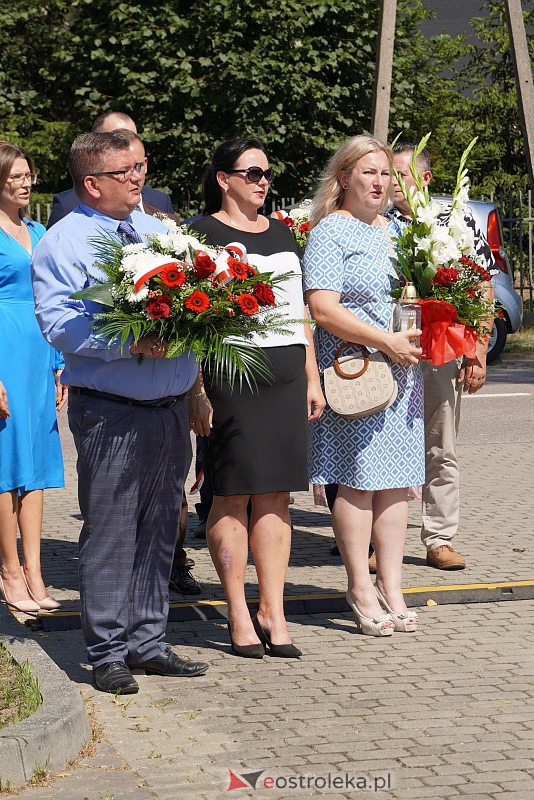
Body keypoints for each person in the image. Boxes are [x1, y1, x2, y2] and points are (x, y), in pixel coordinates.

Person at [32, 130, 208, 694]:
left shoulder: (158, 230)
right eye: (125, 171)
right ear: (92, 183)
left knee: (161, 528)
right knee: (111, 531)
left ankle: (149, 641)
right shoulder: (66, 242)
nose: (138, 178)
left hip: (168, 406)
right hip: (112, 410)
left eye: (141, 166)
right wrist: (126, 341)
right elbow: (57, 324)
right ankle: (107, 650)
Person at [187, 137, 325, 659]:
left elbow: (298, 314)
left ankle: (274, 609)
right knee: (233, 494)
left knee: (276, 496)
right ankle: (238, 612)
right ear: (223, 179)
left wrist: (312, 376)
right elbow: (191, 323)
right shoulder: (201, 234)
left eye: (267, 173)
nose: (262, 181)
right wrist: (196, 390)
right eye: (251, 173)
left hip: (286, 375)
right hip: (231, 377)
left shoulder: (286, 236)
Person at [302, 135, 425, 637]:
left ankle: (391, 586)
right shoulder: (332, 232)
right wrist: (384, 341)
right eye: (369, 172)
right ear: (344, 178)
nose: (379, 182)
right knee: (357, 481)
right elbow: (323, 308)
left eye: (386, 174)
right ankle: (358, 585)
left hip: (403, 371)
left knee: (396, 482)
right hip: (357, 371)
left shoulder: (399, 232)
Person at [0, 141, 67, 616]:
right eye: (15, 177)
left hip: (39, 356)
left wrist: (60, 362)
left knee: (37, 467)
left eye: (28, 175)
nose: (25, 184)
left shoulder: (41, 232)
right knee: (5, 466)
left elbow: (54, 299)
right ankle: (9, 570)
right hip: (1, 354)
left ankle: (36, 572)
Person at [383, 141, 497, 572]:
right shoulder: (376, 222)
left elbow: (481, 285)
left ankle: (439, 538)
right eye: (389, 175)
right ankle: (379, 540)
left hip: (442, 351)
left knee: (441, 447)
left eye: (403, 175)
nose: (393, 183)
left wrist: (478, 351)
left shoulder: (457, 220)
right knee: (386, 444)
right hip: (390, 351)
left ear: (425, 179)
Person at [48, 111, 174, 226]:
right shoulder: (68, 205)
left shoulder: (161, 201)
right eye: (116, 139)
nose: (127, 145)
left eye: (131, 137)